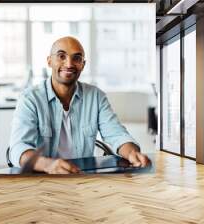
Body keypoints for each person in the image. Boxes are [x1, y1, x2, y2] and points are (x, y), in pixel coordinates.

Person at [9, 36, 150, 174]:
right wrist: (48, 165)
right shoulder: (30, 98)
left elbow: (117, 134)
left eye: (76, 58)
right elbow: (18, 148)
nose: (69, 64)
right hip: (43, 180)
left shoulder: (96, 96)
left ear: (83, 64)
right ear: (49, 61)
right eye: (61, 56)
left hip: (82, 178)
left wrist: (132, 153)